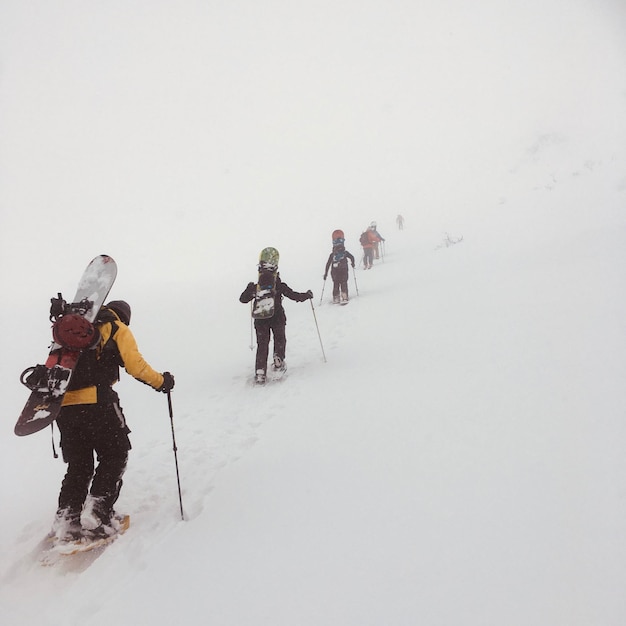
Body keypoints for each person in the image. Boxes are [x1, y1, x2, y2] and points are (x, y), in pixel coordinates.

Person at [52, 300, 175, 541]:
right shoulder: (116, 327)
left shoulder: (74, 329)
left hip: (64, 407)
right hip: (99, 403)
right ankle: (97, 512)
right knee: (116, 453)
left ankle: (66, 518)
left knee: (78, 464)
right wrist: (162, 381)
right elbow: (135, 365)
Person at [240, 249, 313, 384]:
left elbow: (243, 299)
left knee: (262, 344)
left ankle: (260, 372)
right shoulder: (279, 285)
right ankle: (278, 359)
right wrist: (307, 295)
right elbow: (294, 296)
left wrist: (248, 288)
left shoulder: (256, 287)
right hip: (277, 317)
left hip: (260, 320)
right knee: (279, 339)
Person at [323, 236, 355, 303]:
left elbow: (328, 264)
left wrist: (326, 273)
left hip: (334, 271)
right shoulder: (345, 253)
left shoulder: (332, 254)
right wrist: (353, 264)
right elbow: (352, 257)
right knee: (344, 283)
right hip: (344, 270)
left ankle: (336, 298)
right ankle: (344, 297)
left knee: (336, 283)